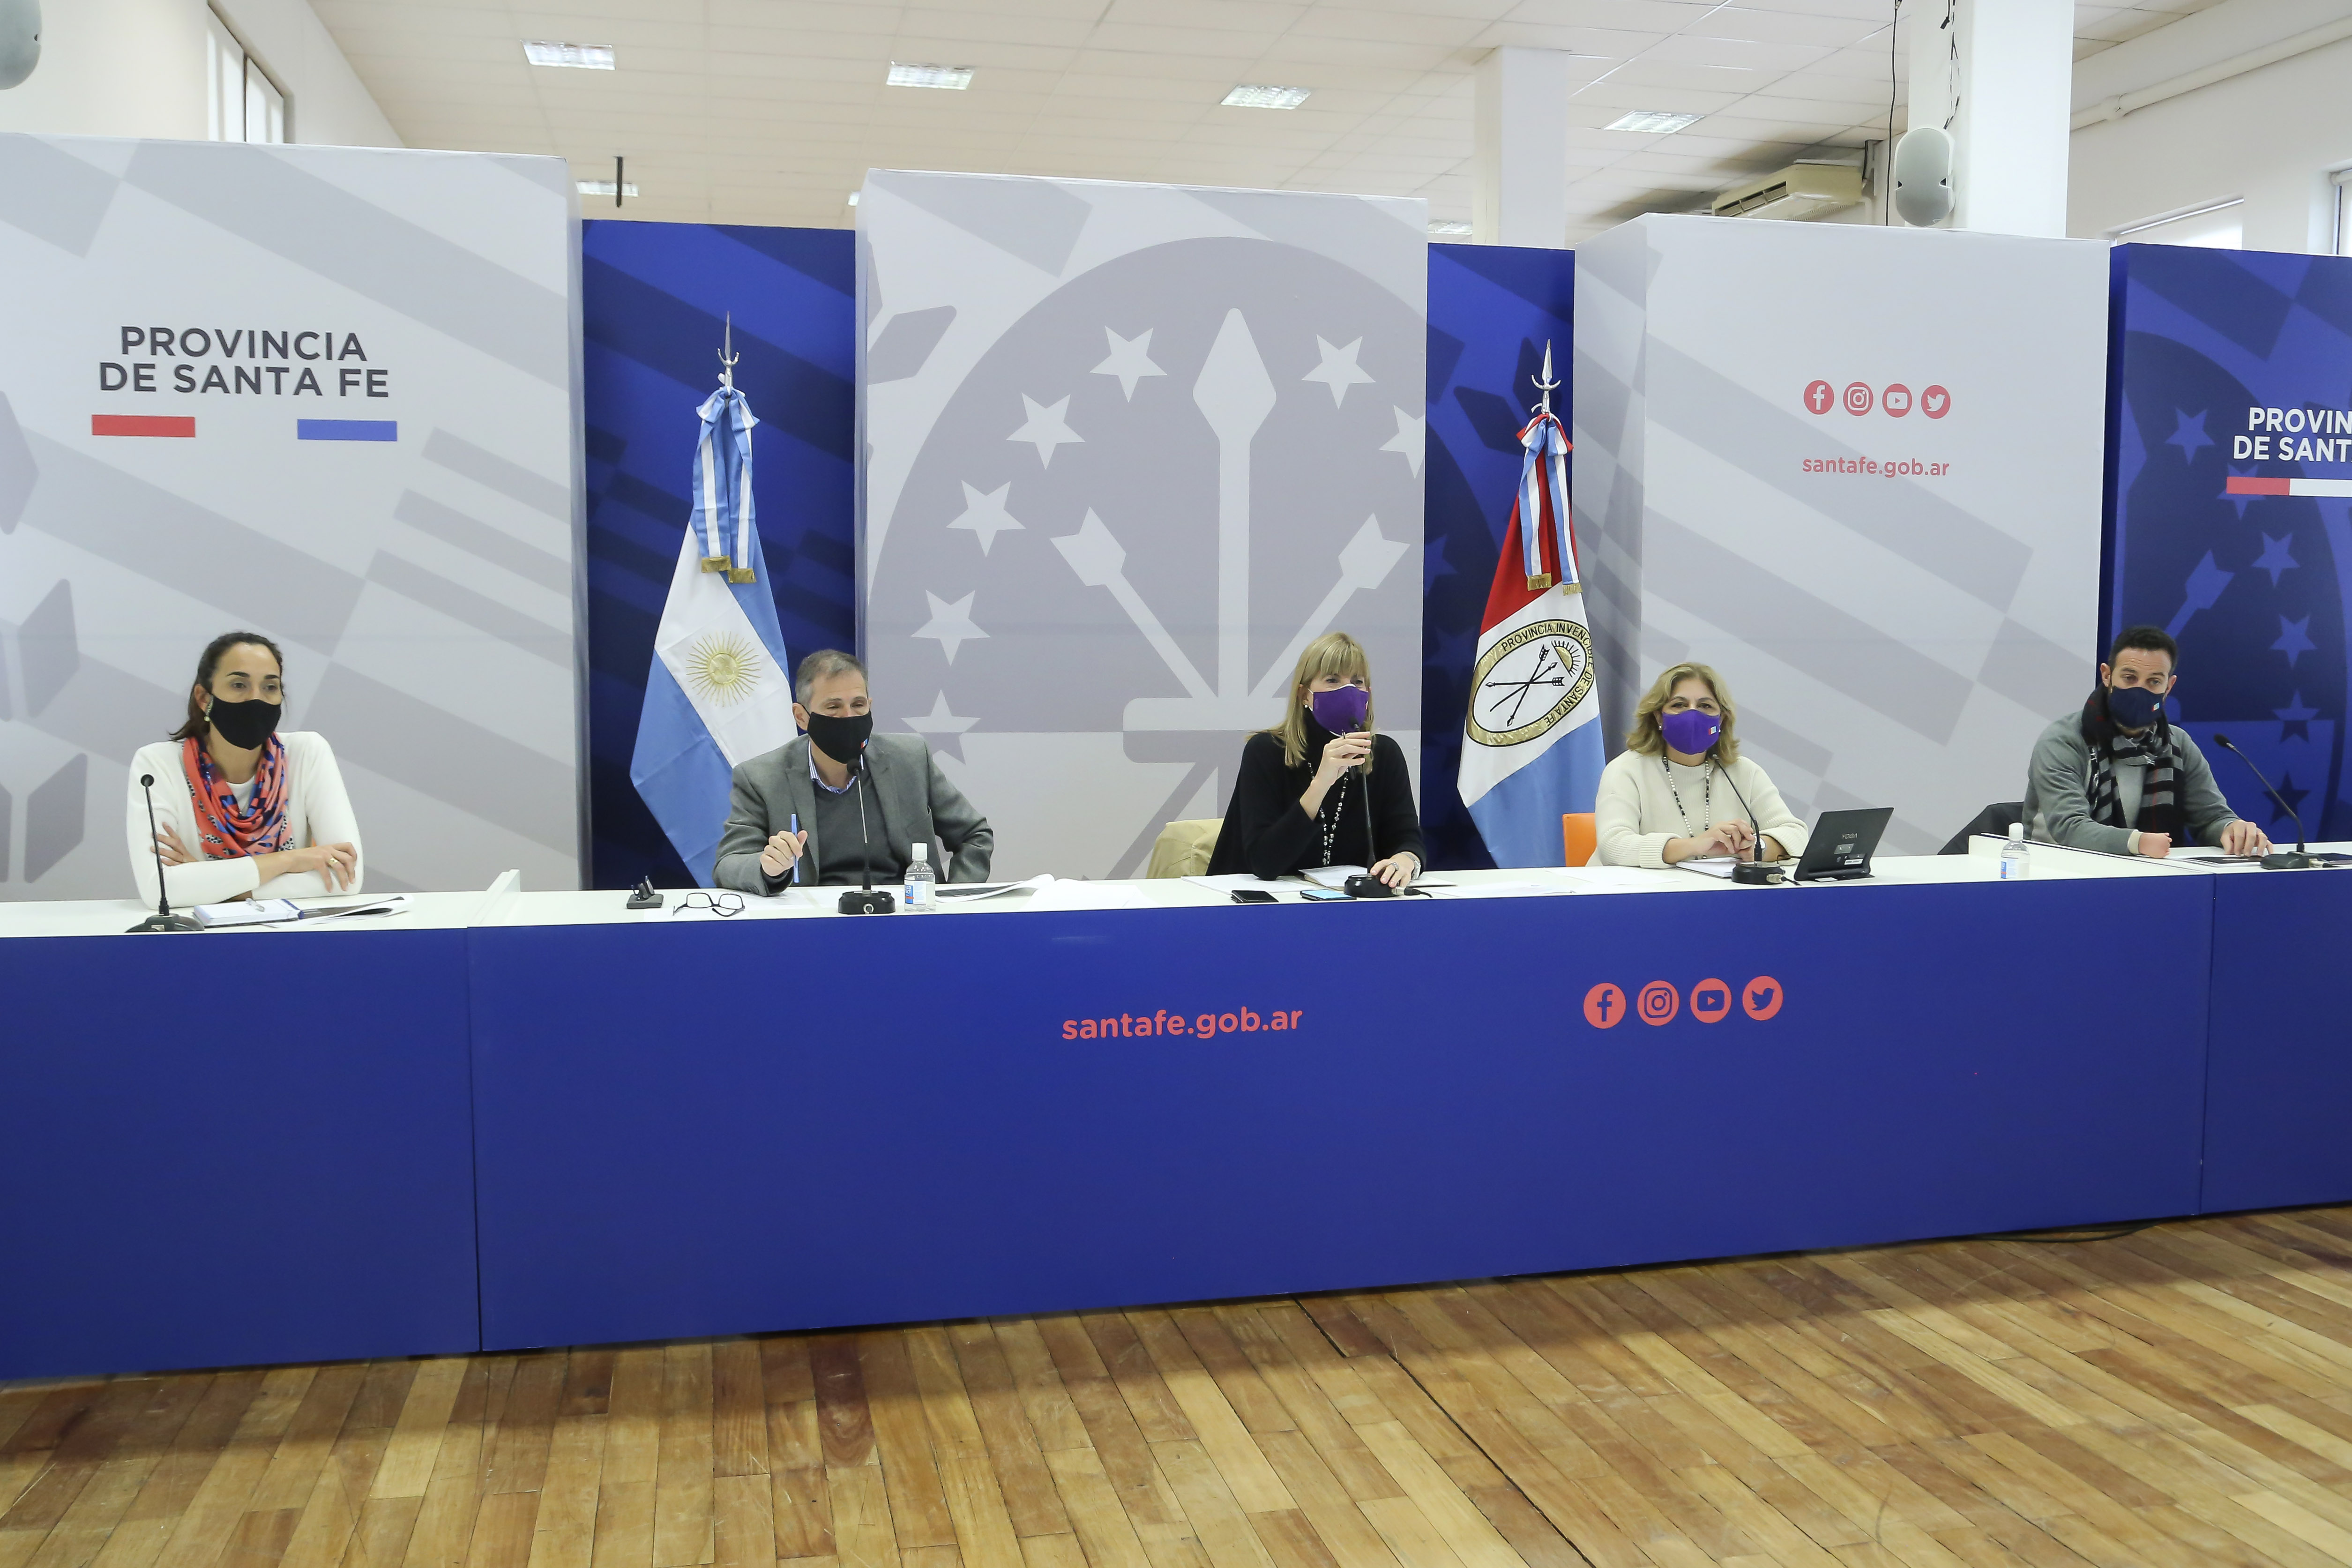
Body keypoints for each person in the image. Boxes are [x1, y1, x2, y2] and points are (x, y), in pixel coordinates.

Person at [713, 649, 993, 894]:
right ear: (801, 717)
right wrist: (768, 868)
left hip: (905, 912)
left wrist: (953, 901)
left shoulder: (909, 759)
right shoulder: (761, 777)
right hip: (815, 921)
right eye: (833, 707)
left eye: (858, 705)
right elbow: (729, 864)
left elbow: (974, 835)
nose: (848, 717)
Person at [128, 631, 361, 907]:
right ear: (204, 698)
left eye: (270, 687)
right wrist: (290, 860)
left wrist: (209, 883)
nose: (256, 699)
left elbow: (347, 877)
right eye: (239, 685)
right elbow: (160, 890)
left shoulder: (307, 752)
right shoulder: (157, 764)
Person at [2024, 625, 2268, 858]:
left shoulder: (2178, 743)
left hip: (2150, 871)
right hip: (2055, 869)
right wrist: (2137, 842)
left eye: (2154, 682)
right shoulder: (2064, 740)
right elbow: (2068, 826)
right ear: (2107, 676)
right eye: (2129, 678)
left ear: (2169, 687)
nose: (2139, 690)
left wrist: (2231, 829)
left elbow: (2211, 817)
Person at [1206, 631, 1424, 886]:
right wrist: (1321, 783)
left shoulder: (1384, 754)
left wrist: (1406, 861)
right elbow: (1264, 863)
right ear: (1304, 695)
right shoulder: (1266, 751)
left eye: (1357, 682)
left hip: (1348, 900)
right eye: (1332, 680)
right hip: (1260, 899)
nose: (1348, 691)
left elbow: (1408, 839)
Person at [1595, 662, 1807, 868]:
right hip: (1639, 890)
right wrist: (1694, 846)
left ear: (1721, 720)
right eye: (1679, 705)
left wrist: (1756, 848)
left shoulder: (1743, 772)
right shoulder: (1627, 770)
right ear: (1659, 717)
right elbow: (1613, 845)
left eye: (1706, 706)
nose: (1693, 715)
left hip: (1719, 889)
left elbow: (1797, 835)